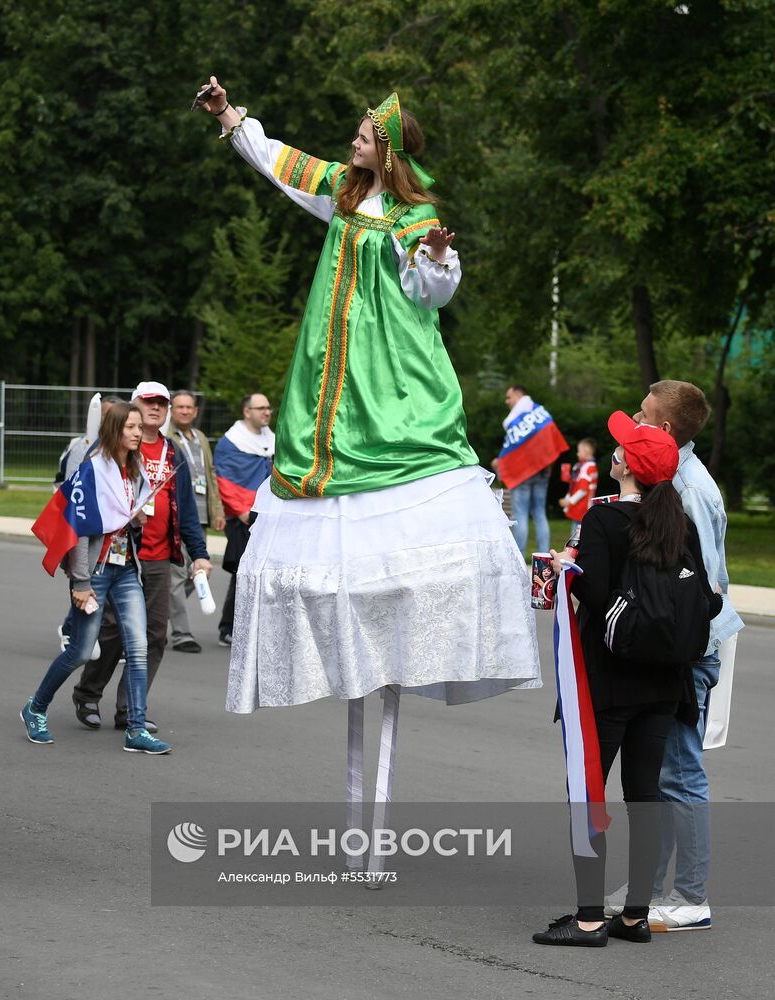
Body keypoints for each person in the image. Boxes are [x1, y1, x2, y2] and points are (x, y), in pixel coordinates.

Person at [199, 78, 540, 854]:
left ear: (387, 150)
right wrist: (229, 118)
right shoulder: (343, 194)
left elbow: (431, 294)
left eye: (361, 135)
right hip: (332, 386)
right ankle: (363, 817)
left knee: (401, 535)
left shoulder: (418, 217)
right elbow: (278, 161)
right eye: (353, 134)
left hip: (393, 385)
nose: (350, 141)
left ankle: (401, 662)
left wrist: (441, 260)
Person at [533, 412, 722, 947]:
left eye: (620, 450)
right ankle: (636, 915)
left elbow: (593, 593)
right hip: (665, 685)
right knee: (645, 798)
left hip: (608, 681)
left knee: (589, 794)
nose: (613, 453)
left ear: (627, 467)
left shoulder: (603, 520)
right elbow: (706, 599)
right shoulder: (675, 520)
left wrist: (564, 568)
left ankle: (590, 917)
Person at [605, 381, 745, 932]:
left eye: (642, 415)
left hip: (690, 647)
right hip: (679, 645)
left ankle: (690, 896)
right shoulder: (671, 477)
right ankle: (649, 886)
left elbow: (701, 586)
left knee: (681, 773)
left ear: (663, 429)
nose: (635, 421)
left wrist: (680, 651)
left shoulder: (690, 488)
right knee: (661, 771)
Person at [23, 403, 172, 754]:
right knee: (79, 651)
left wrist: (137, 520)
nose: (138, 433)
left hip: (125, 571)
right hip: (94, 573)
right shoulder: (93, 470)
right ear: (115, 430)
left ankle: (136, 729)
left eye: (139, 427)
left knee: (137, 649)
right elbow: (77, 527)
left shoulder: (133, 471)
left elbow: (125, 521)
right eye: (131, 427)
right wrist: (80, 582)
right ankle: (35, 708)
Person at [71, 382, 212, 731]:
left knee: (155, 636)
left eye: (161, 403)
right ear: (135, 406)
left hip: (159, 557)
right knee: (113, 632)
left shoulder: (173, 452)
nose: (156, 408)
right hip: (120, 556)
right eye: (149, 402)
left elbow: (189, 513)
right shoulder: (115, 448)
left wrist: (200, 554)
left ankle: (129, 709)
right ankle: (88, 694)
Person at [56, 393, 124, 658]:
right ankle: (71, 630)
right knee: (84, 587)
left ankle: (95, 637)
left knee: (103, 594)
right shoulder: (84, 448)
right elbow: (70, 491)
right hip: (84, 532)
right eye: (106, 415)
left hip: (114, 543)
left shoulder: (124, 452)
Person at [213, 393, 275, 646]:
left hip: (267, 512)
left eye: (268, 408)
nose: (266, 412)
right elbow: (225, 479)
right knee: (242, 571)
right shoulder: (232, 442)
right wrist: (240, 511)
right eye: (260, 408)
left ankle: (255, 625)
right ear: (246, 411)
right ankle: (229, 627)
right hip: (243, 517)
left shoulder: (271, 439)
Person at [167, 389, 226, 653]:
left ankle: (162, 607)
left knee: (198, 572)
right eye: (179, 407)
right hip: (177, 515)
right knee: (178, 575)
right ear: (172, 409)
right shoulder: (167, 437)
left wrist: (217, 510)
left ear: (195, 411)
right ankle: (181, 633)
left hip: (199, 517)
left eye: (189, 407)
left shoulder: (199, 437)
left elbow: (210, 474)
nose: (184, 411)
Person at [492, 384, 568, 556]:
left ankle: (519, 557)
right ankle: (544, 557)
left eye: (509, 397)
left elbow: (512, 450)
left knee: (520, 515)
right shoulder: (540, 413)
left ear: (518, 396)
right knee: (540, 513)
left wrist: (501, 462)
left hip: (522, 474)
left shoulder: (515, 421)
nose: (507, 401)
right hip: (543, 471)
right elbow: (550, 441)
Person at [559, 438, 598, 524]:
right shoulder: (592, 466)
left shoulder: (586, 468)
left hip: (581, 506)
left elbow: (582, 490)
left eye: (579, 451)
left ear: (586, 452)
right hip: (587, 505)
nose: (577, 454)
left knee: (576, 533)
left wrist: (569, 501)